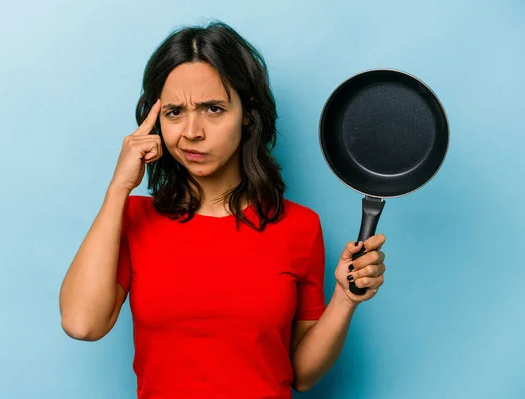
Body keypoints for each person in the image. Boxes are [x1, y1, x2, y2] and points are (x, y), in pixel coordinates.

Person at [59, 20, 387, 399]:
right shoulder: (133, 218)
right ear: (154, 119)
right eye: (175, 112)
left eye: (213, 109)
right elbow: (82, 324)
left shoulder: (300, 226)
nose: (192, 132)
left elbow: (301, 375)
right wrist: (118, 188)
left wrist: (345, 299)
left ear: (247, 113)